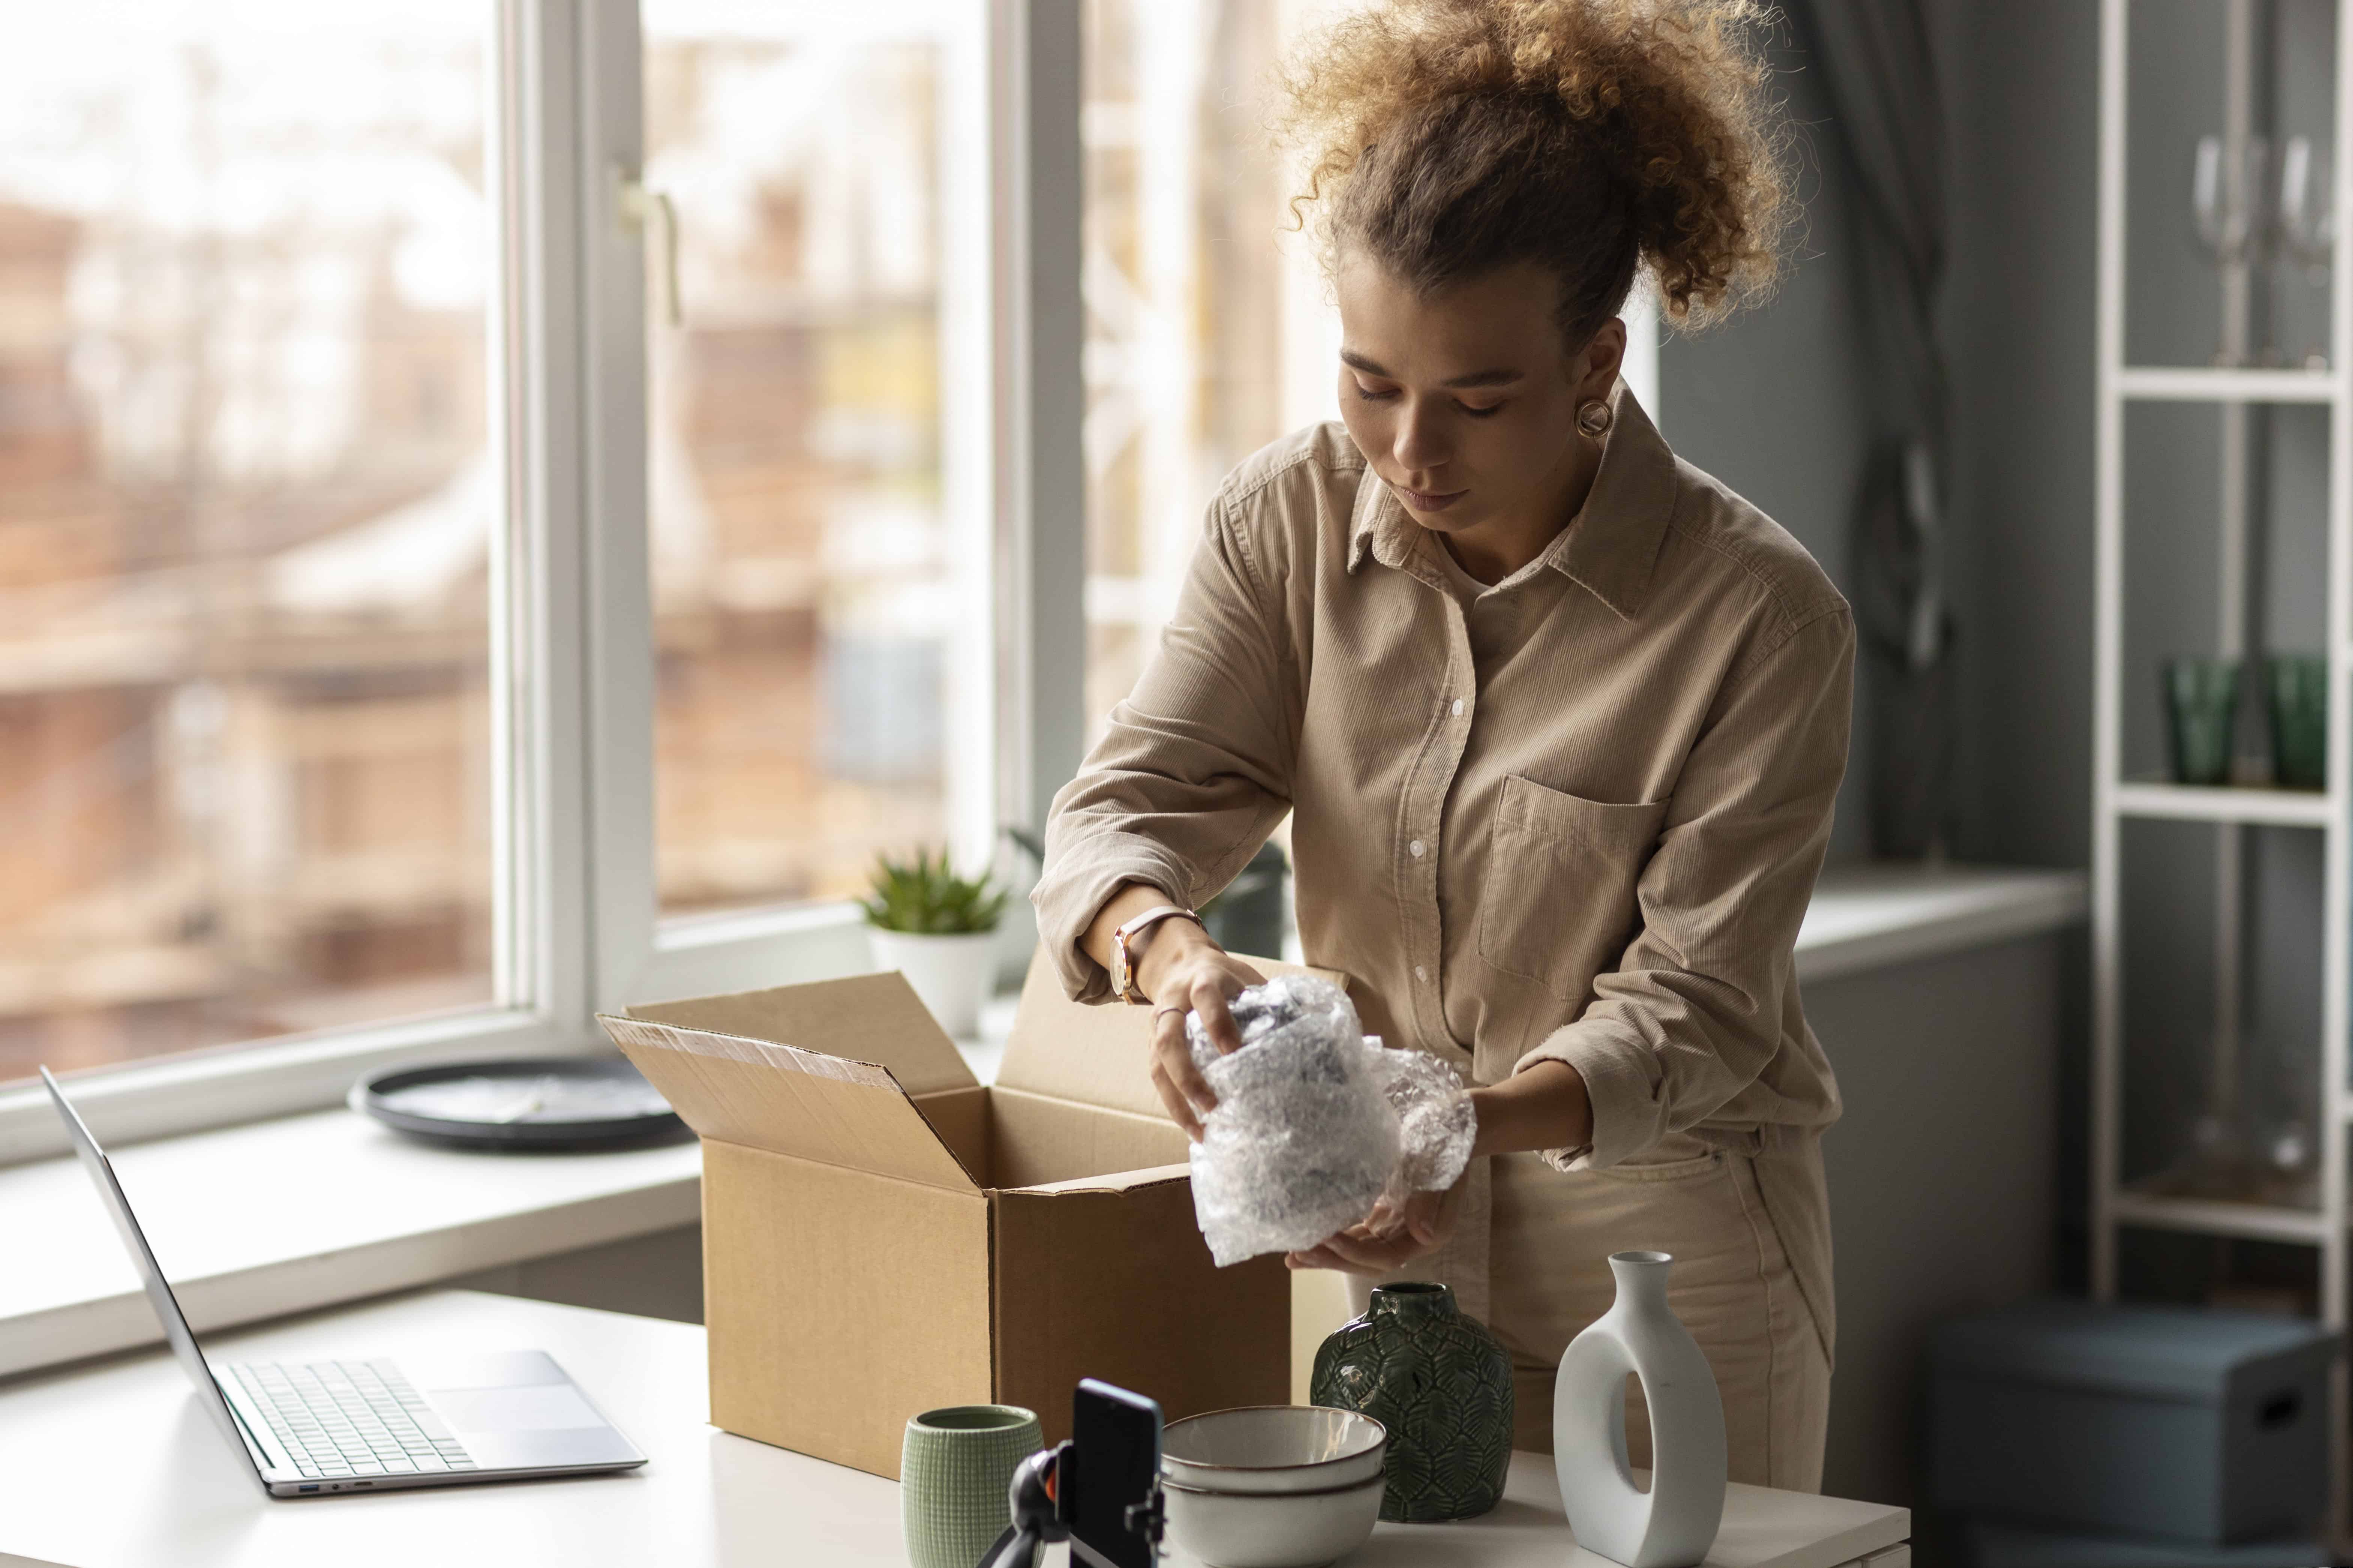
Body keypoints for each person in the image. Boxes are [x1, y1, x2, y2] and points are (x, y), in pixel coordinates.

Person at [1031, 0, 1846, 1491]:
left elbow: (1701, 1007)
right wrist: (1174, 956)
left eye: (1478, 398)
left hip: (1663, 1270)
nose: (1412, 451)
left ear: (1600, 362)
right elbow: (1127, 804)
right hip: (1367, 1253)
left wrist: (1455, 1126)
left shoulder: (1761, 617)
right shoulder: (1283, 525)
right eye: (1370, 382)